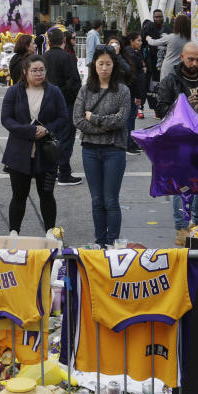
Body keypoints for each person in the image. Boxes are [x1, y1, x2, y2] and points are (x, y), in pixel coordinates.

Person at [156, 42, 198, 243]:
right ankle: (181, 227)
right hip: (180, 140)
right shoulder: (171, 80)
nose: (194, 63)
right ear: (182, 58)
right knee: (182, 186)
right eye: (190, 59)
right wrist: (184, 105)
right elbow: (161, 109)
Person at [1, 54, 69, 236]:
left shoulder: (54, 91)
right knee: (18, 196)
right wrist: (30, 132)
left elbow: (63, 118)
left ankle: (50, 233)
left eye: (41, 70)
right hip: (18, 153)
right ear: (25, 72)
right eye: (34, 70)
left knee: (46, 195)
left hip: (46, 153)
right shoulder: (14, 91)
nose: (38, 74)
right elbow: (6, 119)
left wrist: (46, 130)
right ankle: (14, 233)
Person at [73, 46, 131, 247]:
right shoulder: (85, 89)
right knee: (97, 200)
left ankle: (112, 242)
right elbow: (78, 120)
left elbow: (121, 121)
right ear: (94, 65)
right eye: (100, 64)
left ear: (114, 65)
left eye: (108, 63)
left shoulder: (123, 90)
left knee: (111, 200)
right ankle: (99, 242)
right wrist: (106, 125)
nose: (104, 68)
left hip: (114, 150)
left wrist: (95, 118)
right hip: (90, 150)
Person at [43, 28, 83, 185]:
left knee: (51, 137)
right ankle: (64, 172)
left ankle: (51, 169)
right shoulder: (67, 57)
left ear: (48, 41)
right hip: (65, 103)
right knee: (65, 138)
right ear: (64, 40)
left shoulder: (43, 57)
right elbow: (74, 82)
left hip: (47, 103)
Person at [122, 32, 148, 154]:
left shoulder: (133, 53)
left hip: (134, 91)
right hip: (132, 91)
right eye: (138, 40)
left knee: (131, 118)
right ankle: (128, 144)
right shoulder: (131, 54)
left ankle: (131, 142)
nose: (141, 42)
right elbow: (134, 77)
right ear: (131, 41)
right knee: (130, 118)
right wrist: (137, 95)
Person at [148, 14, 191, 82]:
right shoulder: (190, 39)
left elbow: (153, 43)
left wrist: (148, 38)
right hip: (183, 68)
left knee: (166, 87)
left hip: (169, 67)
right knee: (180, 88)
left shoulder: (171, 37)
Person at [141, 9, 171, 84]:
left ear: (163, 17)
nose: (158, 18)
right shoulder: (148, 28)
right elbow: (142, 42)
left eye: (160, 17)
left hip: (164, 57)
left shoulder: (167, 29)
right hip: (151, 57)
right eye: (156, 17)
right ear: (153, 17)